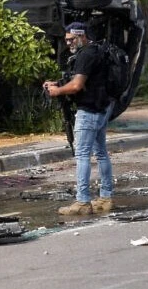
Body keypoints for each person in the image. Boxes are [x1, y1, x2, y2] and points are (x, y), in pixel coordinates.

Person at [44, 22, 115, 215]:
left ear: (82, 36)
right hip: (102, 108)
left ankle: (83, 202)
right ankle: (106, 198)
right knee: (101, 153)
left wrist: (57, 90)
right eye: (66, 40)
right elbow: (86, 80)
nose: (68, 43)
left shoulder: (86, 54)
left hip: (89, 111)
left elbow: (76, 85)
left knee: (82, 155)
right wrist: (58, 83)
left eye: (71, 39)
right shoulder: (98, 50)